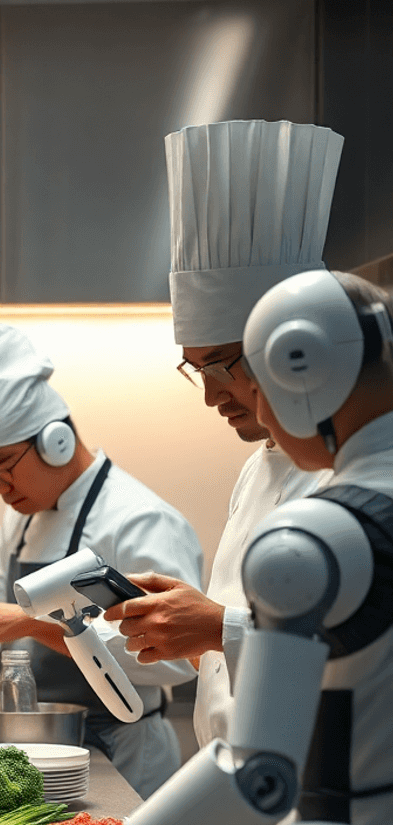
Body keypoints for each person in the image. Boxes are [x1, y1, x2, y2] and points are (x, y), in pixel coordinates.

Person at [39, 268, 393, 825]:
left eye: (249, 375)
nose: (244, 404)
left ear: (305, 370)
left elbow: (260, 772)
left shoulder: (317, 538)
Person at [102, 120, 339, 749]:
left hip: (318, 806)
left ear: (295, 348)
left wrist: (221, 627)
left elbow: (367, 652)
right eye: (195, 369)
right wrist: (196, 615)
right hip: (238, 801)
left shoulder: (366, 474)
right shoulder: (260, 467)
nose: (210, 395)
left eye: (222, 365)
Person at [0, 323, 203, 798]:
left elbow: (175, 659)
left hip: (122, 753)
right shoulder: (23, 515)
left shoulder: (139, 520)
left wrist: (29, 623)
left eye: (3, 465)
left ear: (55, 441)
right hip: (36, 753)